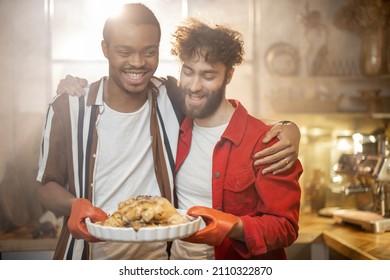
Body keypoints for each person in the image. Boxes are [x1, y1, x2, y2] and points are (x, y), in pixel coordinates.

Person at [37, 3, 300, 260]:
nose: (137, 62)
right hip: (90, 257)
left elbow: (285, 225)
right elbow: (46, 184)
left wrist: (289, 128)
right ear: (105, 49)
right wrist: (74, 205)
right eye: (124, 51)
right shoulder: (69, 107)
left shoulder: (171, 99)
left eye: (149, 51)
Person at [168, 19, 302, 260]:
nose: (194, 86)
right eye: (188, 72)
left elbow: (286, 227)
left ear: (229, 76)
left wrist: (233, 227)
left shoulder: (266, 142)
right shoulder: (173, 122)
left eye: (208, 75)